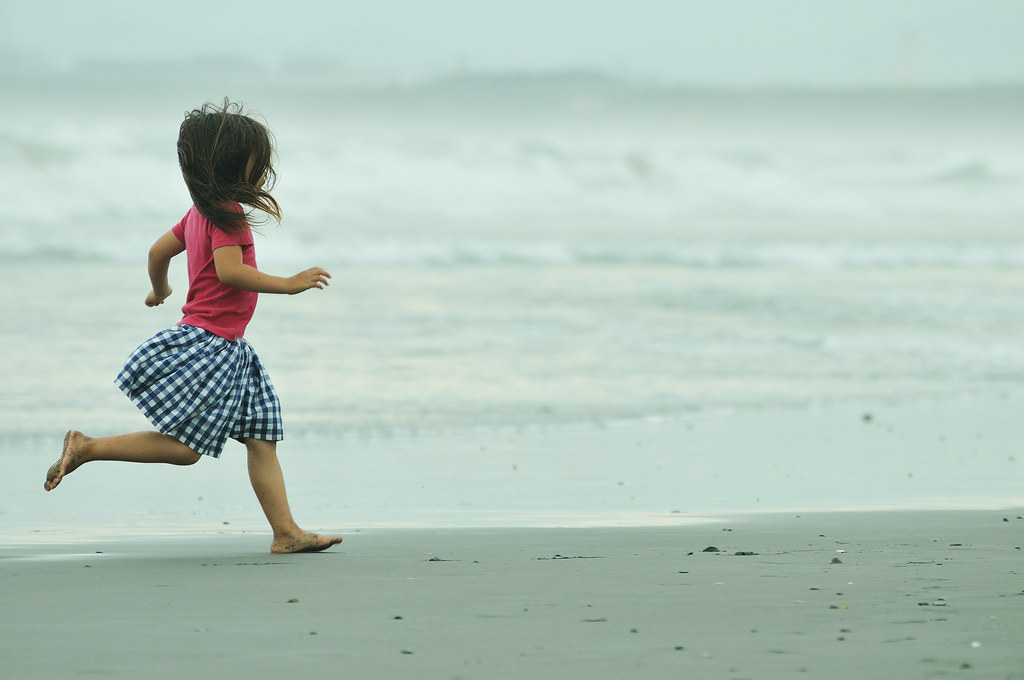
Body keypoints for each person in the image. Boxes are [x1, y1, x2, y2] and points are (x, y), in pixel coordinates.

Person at [44, 99, 343, 554]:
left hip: (232, 350)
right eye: (257, 165)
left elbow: (156, 252)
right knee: (186, 450)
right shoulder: (229, 217)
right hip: (213, 347)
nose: (263, 173)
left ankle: (286, 533)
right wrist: (287, 284)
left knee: (262, 437)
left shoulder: (197, 213)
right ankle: (86, 448)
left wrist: (158, 289)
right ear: (231, 168)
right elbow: (229, 272)